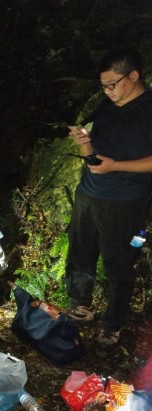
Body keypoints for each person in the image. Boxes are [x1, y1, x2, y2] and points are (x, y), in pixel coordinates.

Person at [65, 48, 152, 348]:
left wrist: (116, 166)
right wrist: (85, 144)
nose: (107, 91)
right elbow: (95, 153)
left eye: (112, 84)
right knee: (80, 250)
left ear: (133, 76)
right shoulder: (106, 106)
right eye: (103, 86)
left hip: (125, 200)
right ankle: (80, 304)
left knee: (119, 262)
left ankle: (112, 324)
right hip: (89, 192)